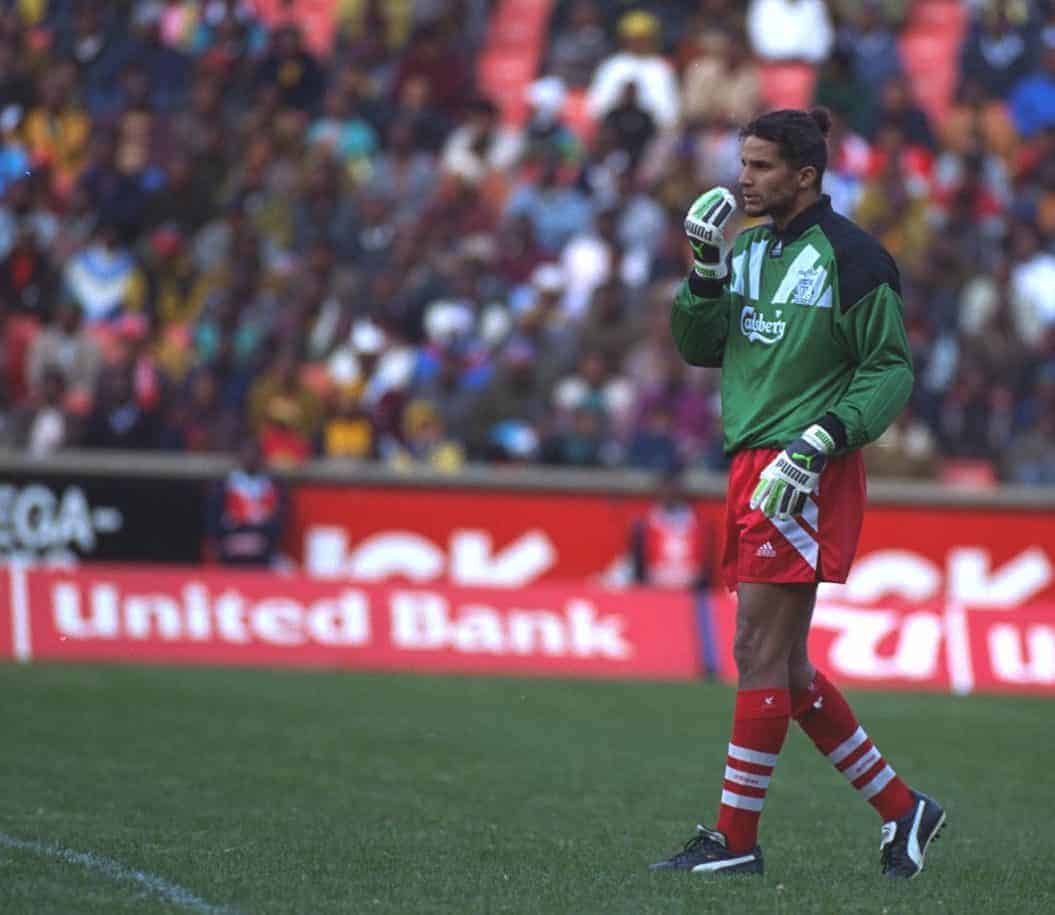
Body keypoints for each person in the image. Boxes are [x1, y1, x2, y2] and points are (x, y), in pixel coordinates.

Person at [650, 108, 945, 878]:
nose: (742, 178)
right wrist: (705, 269)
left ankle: (733, 840)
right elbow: (698, 347)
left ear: (804, 175)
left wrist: (818, 442)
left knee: (756, 650)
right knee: (784, 669)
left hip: (802, 466)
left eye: (759, 166)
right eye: (742, 163)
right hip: (751, 464)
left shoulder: (855, 259)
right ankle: (901, 807)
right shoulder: (745, 250)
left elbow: (889, 370)